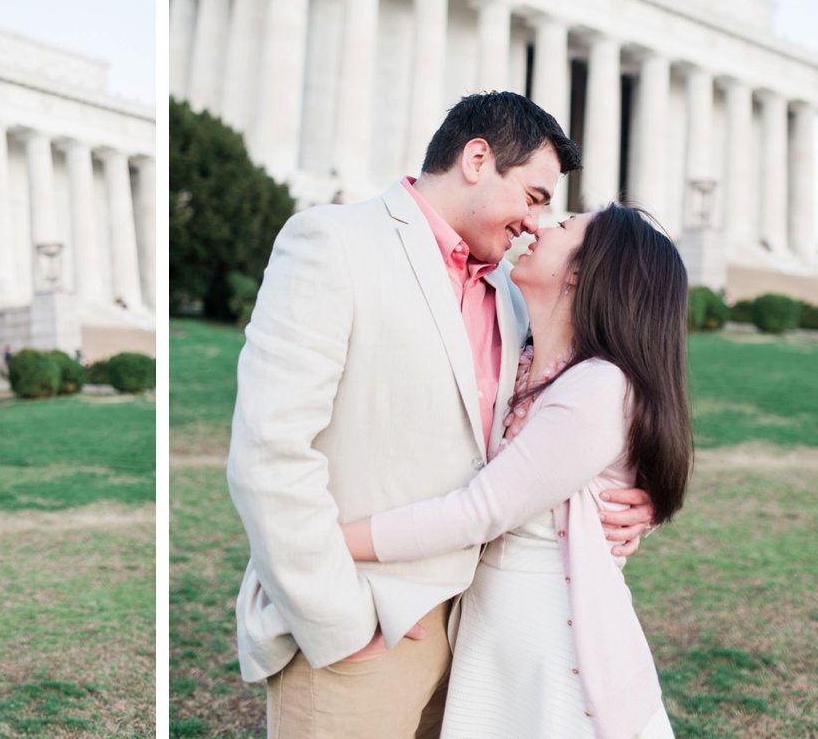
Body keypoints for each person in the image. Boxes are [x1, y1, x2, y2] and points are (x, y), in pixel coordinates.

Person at [227, 92, 657, 739]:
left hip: (476, 643)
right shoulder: (333, 242)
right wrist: (338, 620)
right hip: (361, 631)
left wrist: (624, 500)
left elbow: (543, 445)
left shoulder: (517, 300)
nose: (538, 223)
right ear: (477, 159)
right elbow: (270, 451)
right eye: (536, 197)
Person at [341, 204, 691, 737]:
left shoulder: (598, 386)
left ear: (581, 272)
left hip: (548, 641)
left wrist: (324, 541)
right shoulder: (522, 354)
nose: (537, 225)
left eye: (564, 225)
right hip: (493, 624)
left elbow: (479, 510)